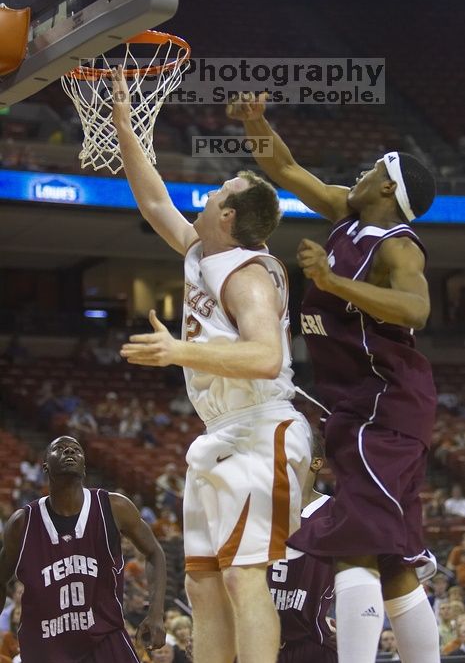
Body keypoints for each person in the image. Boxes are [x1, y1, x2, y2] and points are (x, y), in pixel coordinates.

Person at [228, 94, 440, 663]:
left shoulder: (397, 248)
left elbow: (416, 310)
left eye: (374, 169)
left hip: (386, 405)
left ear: (390, 188)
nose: (362, 173)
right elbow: (287, 169)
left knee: (353, 548)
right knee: (392, 561)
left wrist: (331, 280)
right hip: (358, 406)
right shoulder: (347, 213)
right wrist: (256, 123)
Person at [112, 67, 312, 663]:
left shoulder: (249, 272)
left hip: (261, 428)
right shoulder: (204, 252)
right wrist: (125, 122)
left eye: (220, 190)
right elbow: (153, 202)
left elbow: (266, 355)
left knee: (243, 577)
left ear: (229, 216)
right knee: (202, 581)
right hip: (218, 433)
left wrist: (178, 351)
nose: (209, 193)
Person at [0, 435, 167, 663]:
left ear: (85, 467)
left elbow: (155, 552)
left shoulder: (114, 506)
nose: (69, 452)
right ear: (45, 466)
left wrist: (156, 615)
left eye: (76, 450)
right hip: (46, 647)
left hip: (104, 639)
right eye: (60, 448)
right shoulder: (22, 524)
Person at [267, 431, 337, 662]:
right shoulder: (256, 508)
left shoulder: (337, 514)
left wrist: (346, 616)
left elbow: (362, 573)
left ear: (316, 462)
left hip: (312, 641)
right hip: (255, 638)